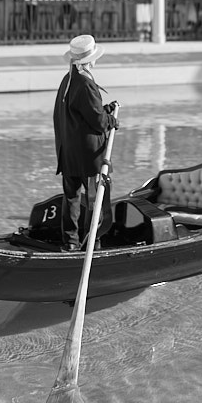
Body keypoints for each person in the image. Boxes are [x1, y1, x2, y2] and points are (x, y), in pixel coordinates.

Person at [53, 34, 119, 251]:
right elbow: (99, 122)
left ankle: (70, 243)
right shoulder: (85, 83)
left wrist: (105, 110)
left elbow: (80, 114)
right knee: (95, 201)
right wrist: (111, 119)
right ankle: (93, 242)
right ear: (89, 61)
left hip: (68, 153)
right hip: (89, 156)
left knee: (71, 199)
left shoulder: (67, 80)